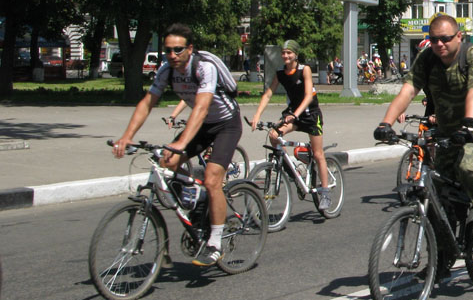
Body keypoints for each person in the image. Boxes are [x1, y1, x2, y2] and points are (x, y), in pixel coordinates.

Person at [112, 23, 241, 266]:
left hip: (226, 124)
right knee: (167, 162)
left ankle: (215, 242)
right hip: (201, 125)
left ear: (190, 49)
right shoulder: (166, 70)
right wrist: (126, 136)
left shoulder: (204, 67)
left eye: (178, 49)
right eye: (168, 50)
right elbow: (147, 103)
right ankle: (200, 201)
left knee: (213, 178)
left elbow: (202, 106)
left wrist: (181, 142)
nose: (172, 55)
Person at [374, 14, 473, 243]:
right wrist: (386, 123)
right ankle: (443, 255)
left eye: (445, 38)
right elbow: (408, 91)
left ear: (458, 36)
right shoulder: (427, 58)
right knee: (439, 193)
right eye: (434, 40)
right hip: (447, 131)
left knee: (468, 165)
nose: (439, 44)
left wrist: (468, 125)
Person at [251, 40, 332, 211]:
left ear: (296, 54)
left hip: (310, 114)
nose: (285, 56)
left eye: (289, 52)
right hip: (293, 115)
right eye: (283, 52)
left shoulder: (304, 70)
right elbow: (268, 94)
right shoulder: (280, 73)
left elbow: (308, 95)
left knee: (318, 154)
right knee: (274, 135)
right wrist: (257, 116)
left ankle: (325, 192)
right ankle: (292, 172)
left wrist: (295, 114)